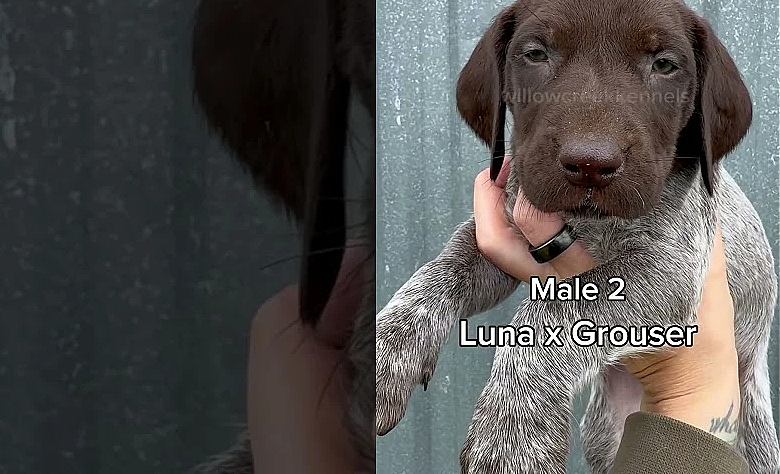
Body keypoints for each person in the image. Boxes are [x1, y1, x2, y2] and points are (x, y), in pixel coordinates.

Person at [246, 157, 749, 474]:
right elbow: (495, 249)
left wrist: (536, 353)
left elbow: (664, 288)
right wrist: (425, 305)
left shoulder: (682, 176)